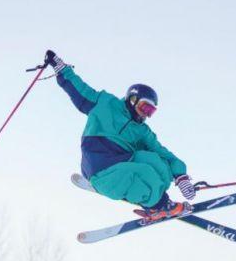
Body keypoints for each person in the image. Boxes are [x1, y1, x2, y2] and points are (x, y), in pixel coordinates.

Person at [45, 50, 196, 221]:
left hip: (121, 161)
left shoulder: (142, 131)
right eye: (145, 108)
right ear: (133, 99)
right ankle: (158, 206)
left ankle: (156, 200)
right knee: (144, 170)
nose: (146, 114)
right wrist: (60, 68)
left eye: (151, 112)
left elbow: (163, 153)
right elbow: (80, 90)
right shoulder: (105, 104)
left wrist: (181, 176)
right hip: (99, 167)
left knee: (156, 162)